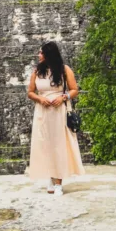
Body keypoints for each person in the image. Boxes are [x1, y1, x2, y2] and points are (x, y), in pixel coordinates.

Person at [26, 40, 84, 195]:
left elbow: (74, 90)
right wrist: (40, 99)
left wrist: (63, 97)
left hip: (60, 112)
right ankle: (51, 178)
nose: (39, 55)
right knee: (45, 145)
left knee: (59, 145)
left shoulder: (65, 70)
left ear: (48, 54)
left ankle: (58, 183)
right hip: (43, 112)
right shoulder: (37, 72)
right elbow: (30, 92)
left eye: (41, 52)